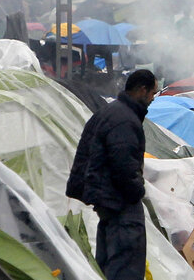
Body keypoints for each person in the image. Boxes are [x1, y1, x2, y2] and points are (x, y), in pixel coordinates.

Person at [66, 69, 159, 280]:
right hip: (120, 205)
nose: (153, 98)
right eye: (153, 93)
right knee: (125, 267)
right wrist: (137, 191)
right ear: (142, 90)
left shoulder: (110, 112)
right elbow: (124, 166)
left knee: (108, 265)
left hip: (107, 204)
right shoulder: (125, 120)